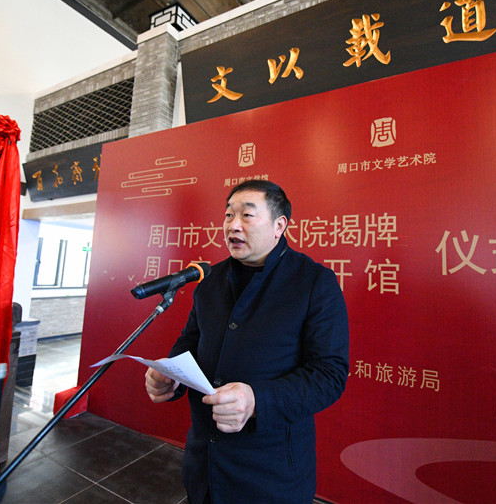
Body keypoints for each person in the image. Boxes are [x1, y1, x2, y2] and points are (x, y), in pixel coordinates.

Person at [145, 180, 349, 504]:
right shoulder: (210, 279)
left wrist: (256, 400)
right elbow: (192, 340)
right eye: (228, 215)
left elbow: (329, 375)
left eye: (247, 215)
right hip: (204, 467)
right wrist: (172, 373)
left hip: (270, 476)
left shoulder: (314, 282)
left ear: (279, 225)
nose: (233, 225)